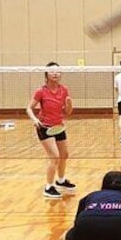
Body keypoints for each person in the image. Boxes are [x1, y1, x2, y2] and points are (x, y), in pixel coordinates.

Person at [26, 62, 76, 199]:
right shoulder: (41, 91)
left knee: (64, 155)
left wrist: (69, 105)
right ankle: (48, 187)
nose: (55, 74)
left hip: (59, 126)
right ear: (46, 74)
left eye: (58, 71)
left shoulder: (64, 90)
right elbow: (29, 108)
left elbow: (68, 112)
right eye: (52, 71)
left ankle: (61, 180)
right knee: (54, 156)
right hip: (44, 127)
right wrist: (35, 120)